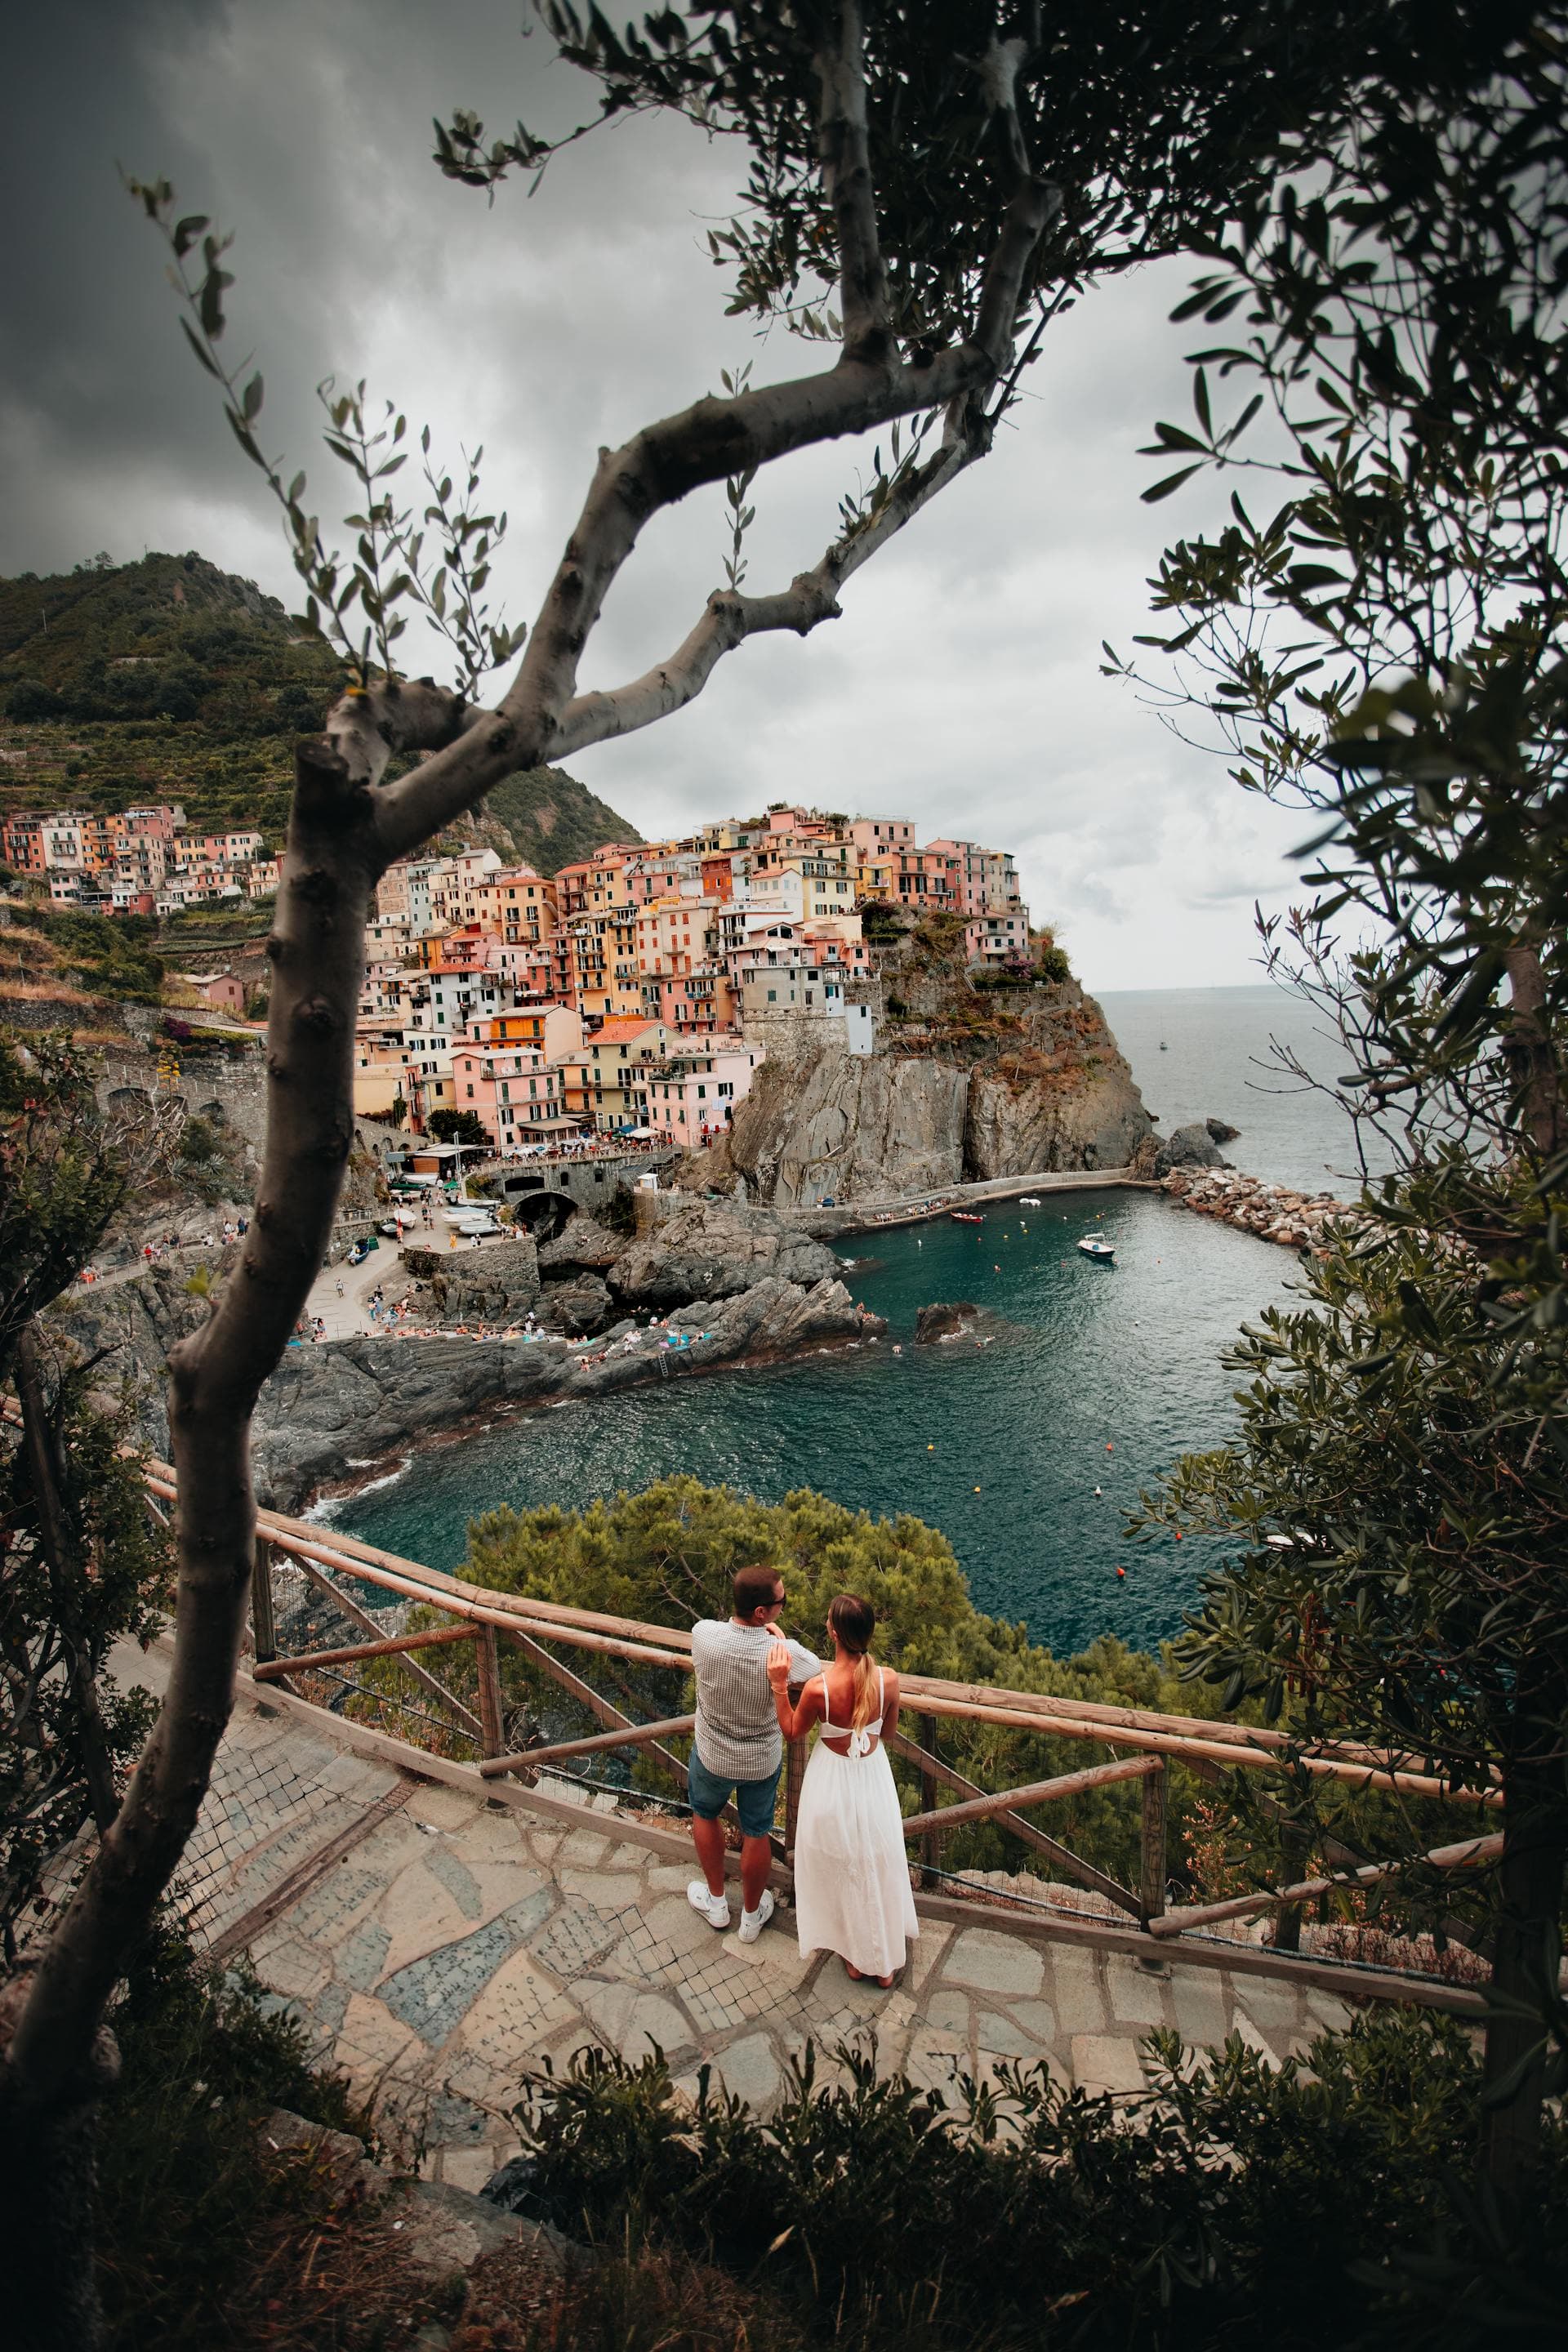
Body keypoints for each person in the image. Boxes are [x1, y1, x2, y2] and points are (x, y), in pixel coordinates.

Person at [766, 1593, 918, 1987]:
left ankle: (856, 1955)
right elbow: (887, 1733)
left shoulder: (819, 1689)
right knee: (876, 1859)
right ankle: (883, 1961)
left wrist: (780, 1686)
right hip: (872, 1776)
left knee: (844, 1862)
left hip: (833, 1778)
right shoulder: (889, 1680)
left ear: (833, 1632)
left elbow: (792, 1731)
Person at [688, 1565, 821, 1944]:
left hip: (712, 1752)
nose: (785, 1604)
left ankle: (715, 1903)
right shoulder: (780, 1653)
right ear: (762, 1613)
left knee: (704, 1813)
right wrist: (778, 1638)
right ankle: (750, 1917)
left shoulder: (704, 1635)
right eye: (782, 1600)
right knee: (757, 1831)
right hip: (759, 1761)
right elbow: (813, 1668)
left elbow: (711, 1633)